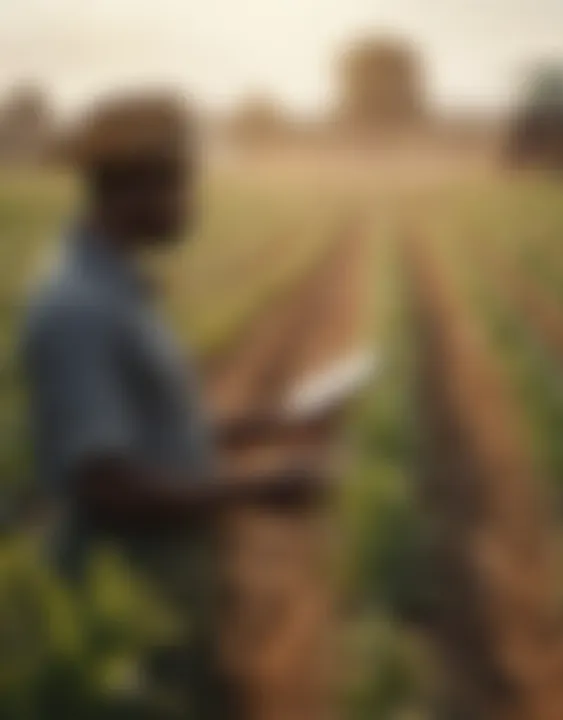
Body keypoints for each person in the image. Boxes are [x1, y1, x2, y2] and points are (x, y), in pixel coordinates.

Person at [21, 92, 331, 717]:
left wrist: (276, 425)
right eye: (180, 188)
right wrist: (260, 490)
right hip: (129, 610)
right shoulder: (80, 308)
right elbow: (110, 488)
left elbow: (158, 438)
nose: (190, 206)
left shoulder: (119, 289)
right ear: (134, 190)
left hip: (166, 593)